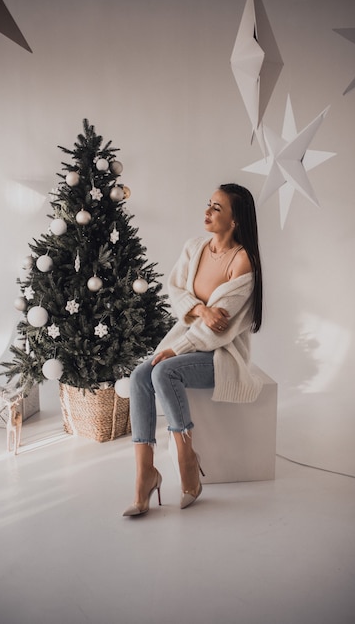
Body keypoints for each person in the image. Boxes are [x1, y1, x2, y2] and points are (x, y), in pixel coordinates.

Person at [122, 183, 263, 516]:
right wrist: (201, 310)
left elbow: (220, 331)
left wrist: (179, 348)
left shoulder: (242, 264)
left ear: (235, 220)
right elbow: (175, 292)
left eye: (217, 208)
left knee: (164, 370)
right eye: (208, 204)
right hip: (187, 340)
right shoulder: (195, 248)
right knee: (141, 374)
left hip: (221, 355)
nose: (207, 212)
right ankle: (146, 474)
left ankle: (187, 459)